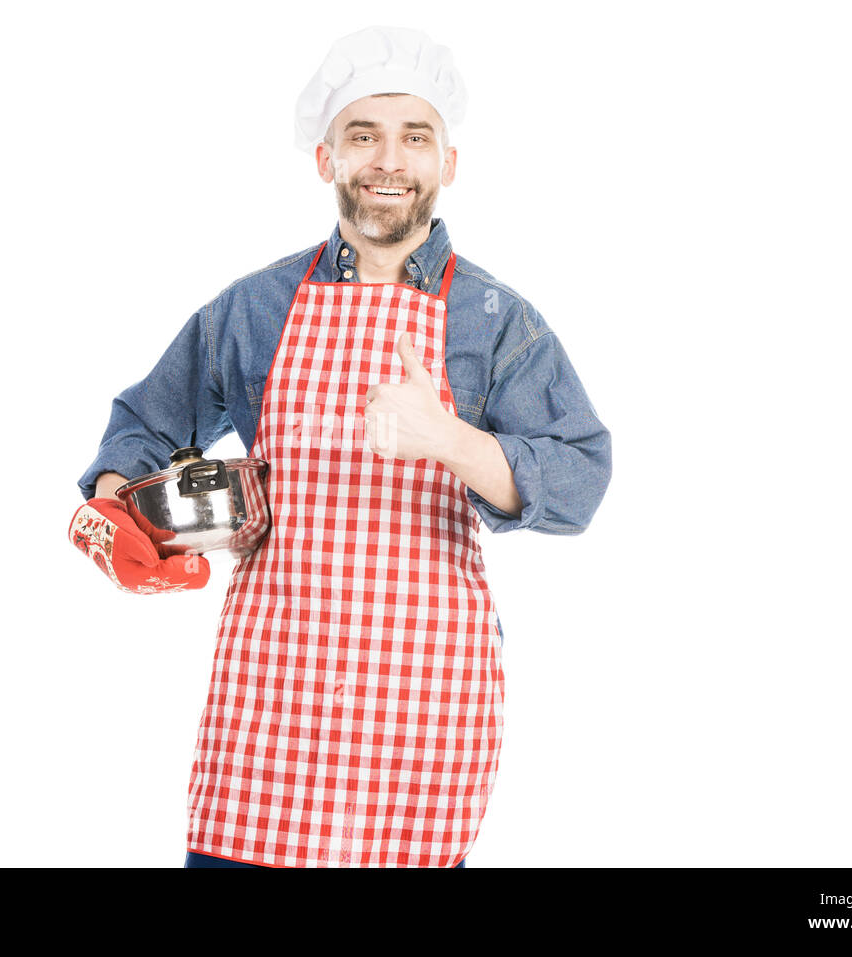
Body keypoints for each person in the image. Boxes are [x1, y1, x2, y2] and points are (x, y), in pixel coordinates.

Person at [69, 25, 612, 868]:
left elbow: (579, 476)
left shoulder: (498, 323)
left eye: (414, 137)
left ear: (447, 164)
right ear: (326, 159)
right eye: (363, 135)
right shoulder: (256, 308)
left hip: (424, 717)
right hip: (268, 715)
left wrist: (451, 440)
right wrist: (117, 508)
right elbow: (144, 425)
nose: (388, 160)